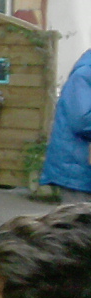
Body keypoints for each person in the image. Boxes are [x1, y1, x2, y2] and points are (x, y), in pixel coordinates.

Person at [40, 48, 91, 201]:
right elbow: (82, 120)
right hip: (78, 172)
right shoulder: (85, 74)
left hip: (81, 167)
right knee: (78, 223)